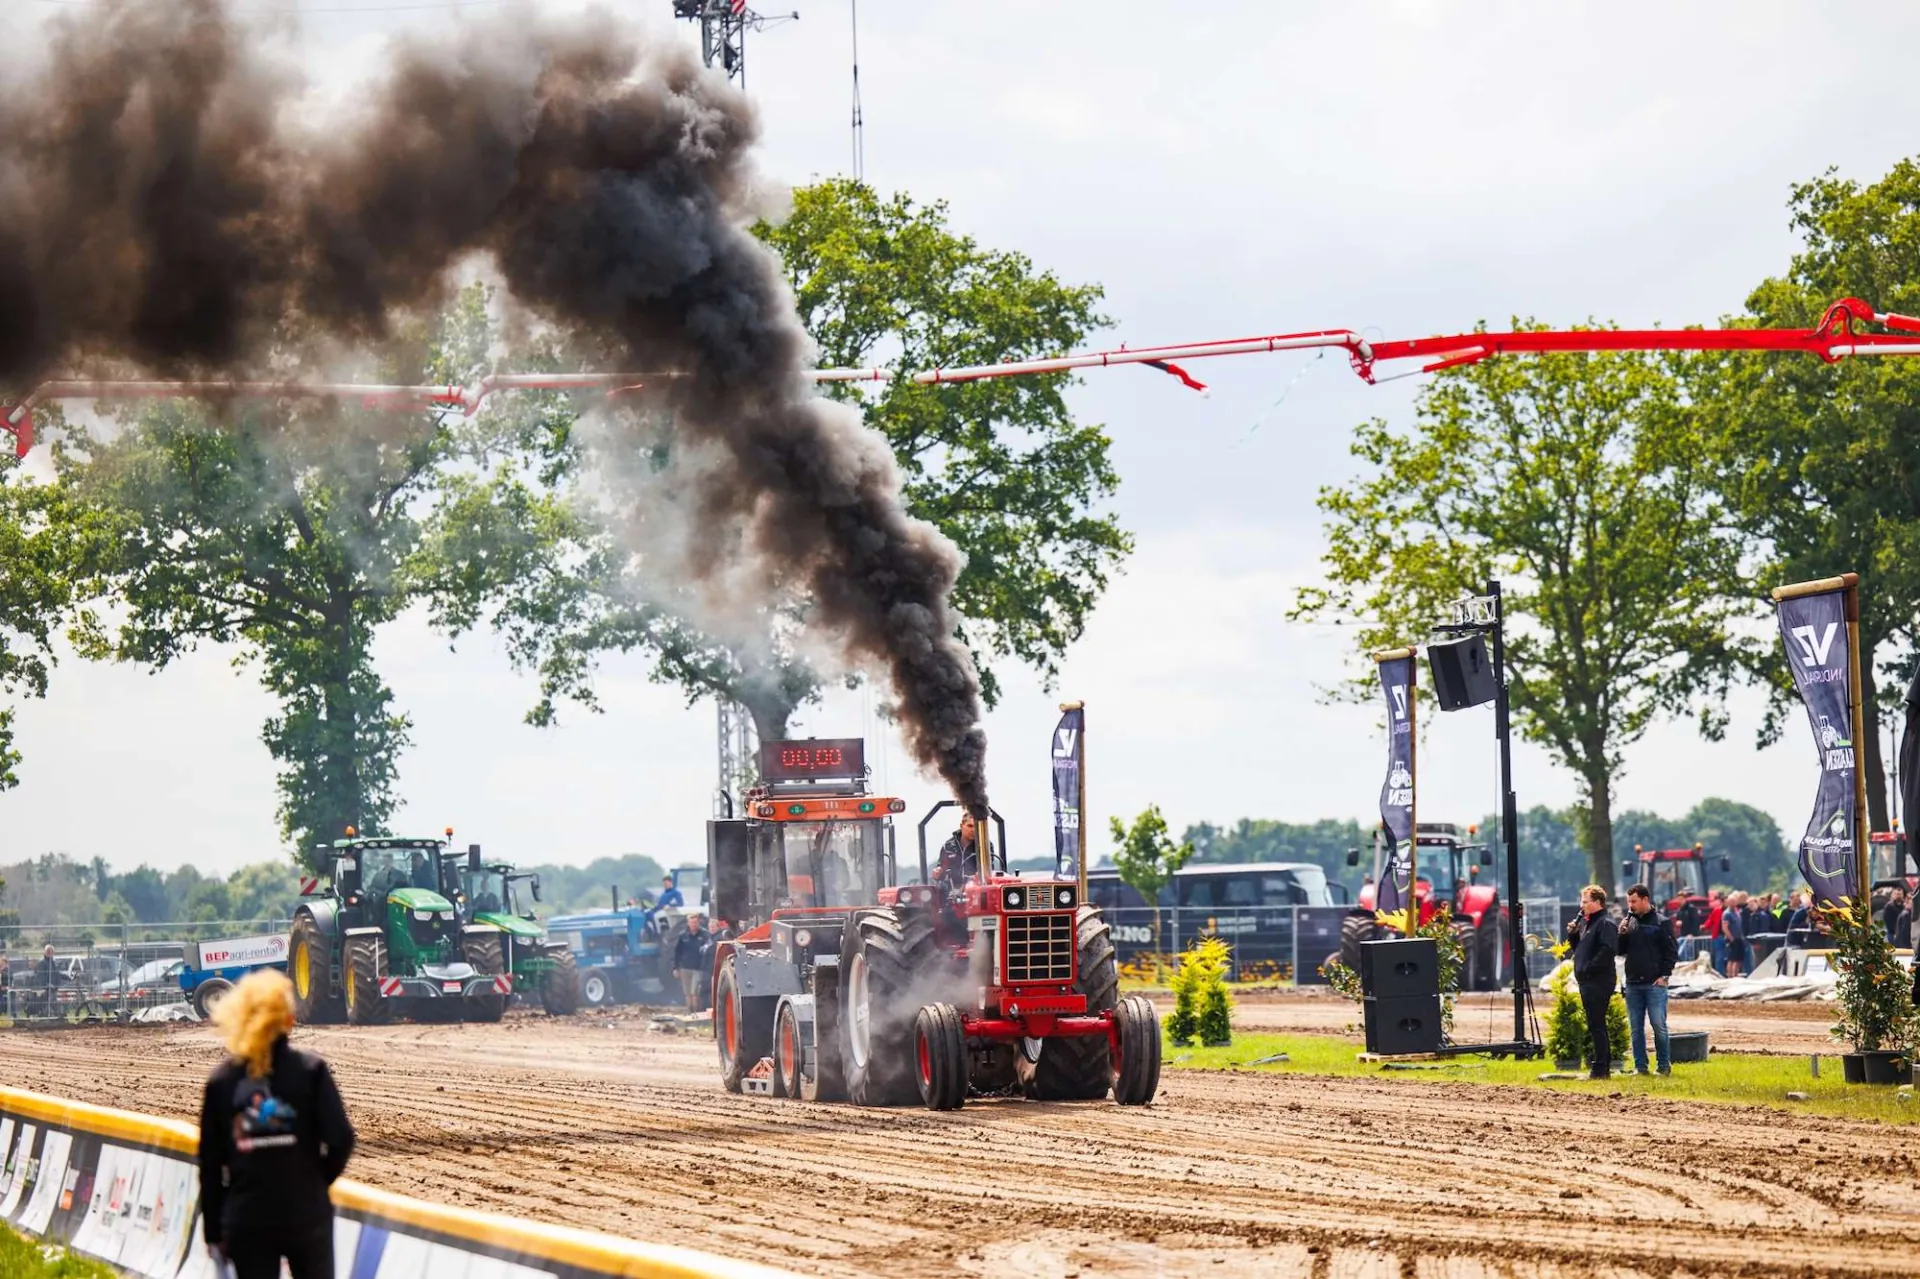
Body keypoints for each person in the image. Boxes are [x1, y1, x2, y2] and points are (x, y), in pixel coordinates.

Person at [198, 970, 355, 1279]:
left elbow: (210, 1165)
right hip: (306, 1213)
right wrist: (315, 1182)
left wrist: (213, 1231)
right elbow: (341, 1139)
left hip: (247, 1218)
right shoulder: (311, 1071)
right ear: (289, 1020)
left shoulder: (221, 1082)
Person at [1615, 885, 1678, 1076]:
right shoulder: (1629, 922)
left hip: (1654, 984)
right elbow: (1619, 951)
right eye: (1629, 902)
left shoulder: (1661, 922)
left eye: (1634, 901)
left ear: (1645, 899)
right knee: (1635, 1028)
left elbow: (1671, 952)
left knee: (1658, 1025)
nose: (1631, 906)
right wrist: (1621, 935)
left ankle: (1663, 1066)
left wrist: (1664, 976)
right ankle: (1640, 1067)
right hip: (1633, 982)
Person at [1565, 885, 1618, 1080]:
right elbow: (1580, 950)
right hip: (1587, 980)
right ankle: (1601, 1066)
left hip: (1598, 981)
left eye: (1586, 902)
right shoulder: (1589, 924)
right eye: (1582, 901)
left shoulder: (1605, 923)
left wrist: (1588, 968)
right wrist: (1573, 935)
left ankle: (1600, 1068)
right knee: (1595, 1024)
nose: (1582, 906)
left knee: (1597, 1025)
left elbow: (1607, 950)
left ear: (1597, 903)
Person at [671, 914, 708, 1012]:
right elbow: (677, 952)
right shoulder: (683, 935)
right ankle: (690, 1012)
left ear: (698, 923)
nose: (693, 924)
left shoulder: (704, 935)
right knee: (687, 994)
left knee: (695, 994)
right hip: (685, 968)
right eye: (691, 922)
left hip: (698, 968)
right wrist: (675, 967)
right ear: (688, 923)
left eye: (695, 922)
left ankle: (696, 1013)